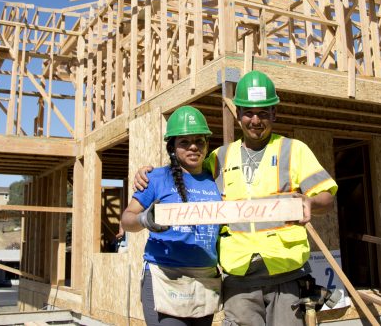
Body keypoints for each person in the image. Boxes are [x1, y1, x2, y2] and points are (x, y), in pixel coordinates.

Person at [134, 71, 338, 326]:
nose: (255, 120)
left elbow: (327, 197)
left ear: (274, 113)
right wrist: (148, 173)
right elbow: (185, 170)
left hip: (286, 274)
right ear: (238, 114)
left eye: (263, 113)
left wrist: (310, 203)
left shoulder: (293, 150)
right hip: (239, 277)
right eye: (249, 113)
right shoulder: (219, 157)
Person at [121, 105, 222, 326]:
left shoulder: (215, 178)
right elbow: (127, 219)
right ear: (172, 147)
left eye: (199, 140)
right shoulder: (156, 179)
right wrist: (144, 219)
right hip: (165, 277)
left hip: (204, 279)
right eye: (184, 142)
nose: (193, 147)